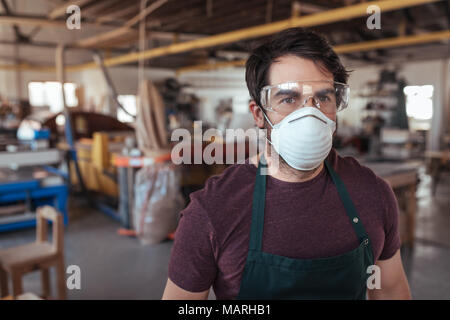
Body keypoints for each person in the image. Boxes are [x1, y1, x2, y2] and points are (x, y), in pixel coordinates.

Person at [162, 28, 411, 300]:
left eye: (323, 97)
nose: (310, 113)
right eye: (289, 99)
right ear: (259, 114)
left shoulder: (373, 193)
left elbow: (390, 291)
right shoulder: (212, 210)